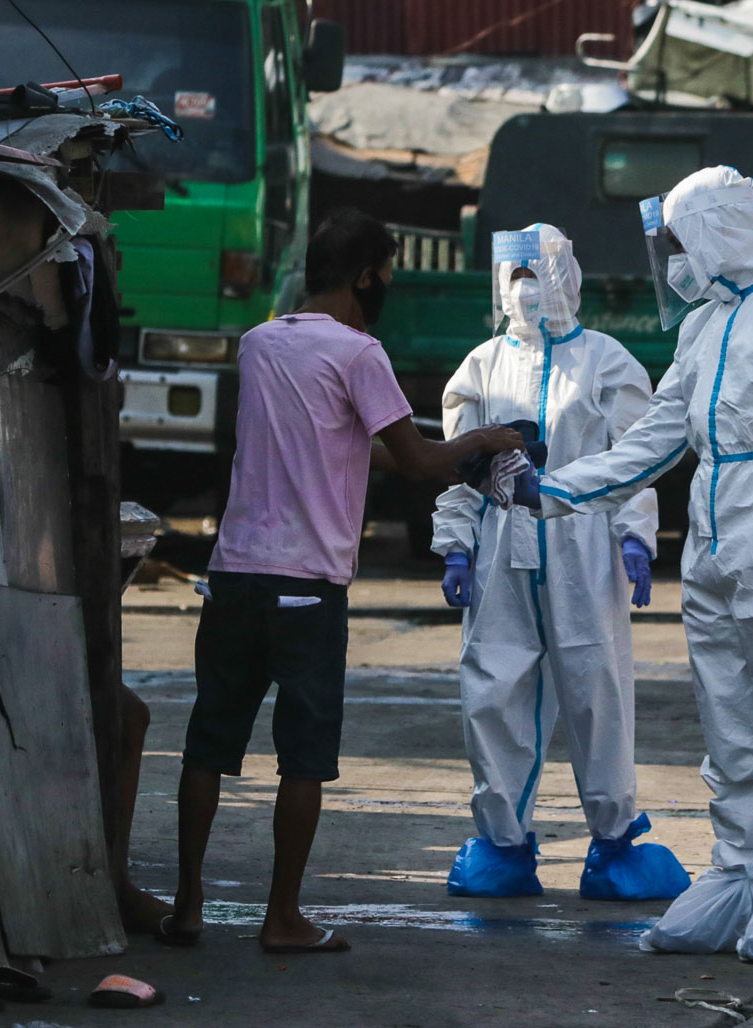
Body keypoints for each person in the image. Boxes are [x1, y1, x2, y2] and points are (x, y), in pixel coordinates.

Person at [515, 167, 753, 962]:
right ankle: (740, 872)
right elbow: (654, 441)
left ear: (713, 230)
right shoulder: (704, 328)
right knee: (732, 722)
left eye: (677, 242)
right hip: (717, 542)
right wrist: (551, 491)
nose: (672, 261)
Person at [160, 210, 523, 953]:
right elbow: (417, 462)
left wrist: (454, 458)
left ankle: (187, 907)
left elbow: (345, 444)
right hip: (307, 586)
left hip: (232, 575)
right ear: (365, 276)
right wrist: (483, 442)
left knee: (207, 745)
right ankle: (282, 917)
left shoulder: (259, 344)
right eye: (386, 271)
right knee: (304, 757)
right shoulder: (362, 354)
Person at [430, 223, 690, 901]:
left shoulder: (607, 362)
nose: (525, 293)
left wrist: (636, 536)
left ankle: (614, 844)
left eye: (535, 276)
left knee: (596, 690)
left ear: (565, 278)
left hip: (584, 547)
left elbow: (636, 455)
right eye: (514, 279)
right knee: (494, 690)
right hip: (499, 553)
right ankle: (501, 846)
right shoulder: (480, 367)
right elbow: (458, 466)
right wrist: (456, 542)